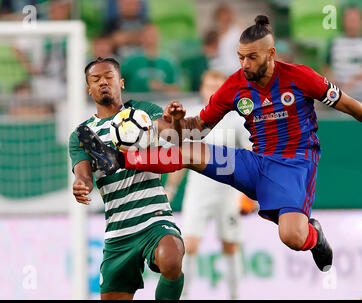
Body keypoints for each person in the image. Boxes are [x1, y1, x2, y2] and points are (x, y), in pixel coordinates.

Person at [76, 16, 362, 273]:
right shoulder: (236, 85)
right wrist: (176, 121)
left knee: (292, 237)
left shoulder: (301, 76)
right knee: (188, 152)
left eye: (251, 58)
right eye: (240, 57)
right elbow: (195, 130)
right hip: (255, 162)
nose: (244, 64)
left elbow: (349, 105)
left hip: (294, 163)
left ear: (271, 54)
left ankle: (315, 235)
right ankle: (118, 159)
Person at [69, 57, 185, 300]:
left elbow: (171, 132)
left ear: (120, 82)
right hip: (119, 230)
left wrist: (175, 120)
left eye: (109, 77)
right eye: (96, 79)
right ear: (88, 89)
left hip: (154, 218)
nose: (103, 82)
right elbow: (83, 175)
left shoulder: (142, 112)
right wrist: (81, 185)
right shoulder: (83, 134)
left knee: (171, 258)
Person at [164, 70, 249, 300]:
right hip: (198, 190)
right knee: (189, 245)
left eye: (217, 86)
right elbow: (181, 158)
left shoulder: (236, 119)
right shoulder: (191, 117)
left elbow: (250, 156)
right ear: (201, 88)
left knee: (230, 244)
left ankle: (234, 296)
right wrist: (170, 189)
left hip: (227, 191)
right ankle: (185, 298)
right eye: (209, 85)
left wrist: (251, 194)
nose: (212, 90)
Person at [121, 23, 180, 94]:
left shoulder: (168, 62)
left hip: (161, 103)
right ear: (141, 37)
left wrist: (161, 87)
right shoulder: (131, 61)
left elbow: (175, 89)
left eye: (153, 35)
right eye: (147, 36)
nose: (150, 39)